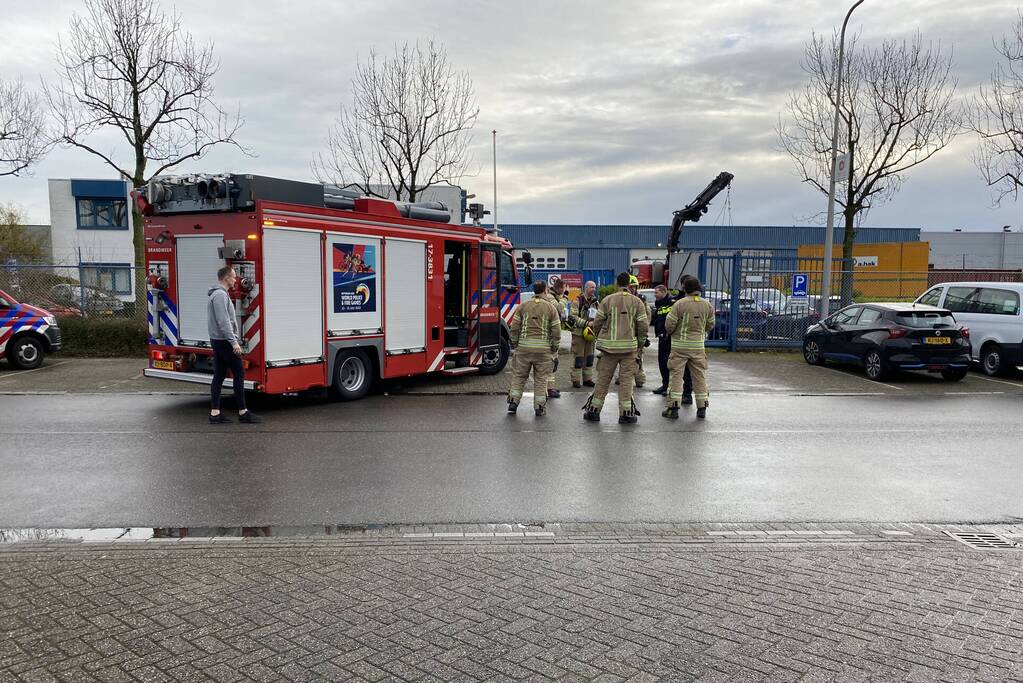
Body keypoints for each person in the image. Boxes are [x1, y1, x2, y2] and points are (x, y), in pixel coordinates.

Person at [582, 272, 649, 424]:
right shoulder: (637, 302)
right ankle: (626, 414)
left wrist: (598, 337)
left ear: (617, 284)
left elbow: (597, 322)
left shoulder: (607, 300)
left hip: (608, 350)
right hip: (629, 350)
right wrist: (640, 343)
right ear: (629, 285)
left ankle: (593, 411)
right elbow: (643, 326)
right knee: (626, 382)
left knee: (603, 381)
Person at [208, 266, 261, 424]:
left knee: (219, 375)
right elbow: (223, 322)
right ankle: (243, 412)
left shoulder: (218, 295)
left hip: (218, 340)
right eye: (233, 277)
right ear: (225, 278)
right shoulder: (220, 296)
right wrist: (234, 342)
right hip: (224, 342)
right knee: (239, 374)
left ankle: (215, 413)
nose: (235, 280)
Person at [662, 276, 715, 420]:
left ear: (685, 289)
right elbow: (710, 325)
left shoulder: (680, 304)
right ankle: (702, 408)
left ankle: (673, 408)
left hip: (680, 347)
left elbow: (669, 325)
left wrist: (674, 333)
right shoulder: (707, 305)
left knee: (676, 377)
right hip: (698, 346)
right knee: (699, 377)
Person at [507, 280, 562, 417]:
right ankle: (539, 408)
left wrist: (515, 344)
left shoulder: (523, 306)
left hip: (524, 349)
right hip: (543, 351)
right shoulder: (551, 308)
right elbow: (556, 331)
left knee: (519, 377)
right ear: (545, 291)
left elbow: (514, 328)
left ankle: (513, 402)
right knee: (541, 379)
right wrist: (554, 348)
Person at [651, 281, 693, 402]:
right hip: (661, 337)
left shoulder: (672, 302)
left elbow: (680, 300)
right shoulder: (659, 303)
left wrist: (681, 292)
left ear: (664, 292)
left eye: (657, 292)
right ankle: (664, 385)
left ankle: (679, 390)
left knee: (672, 364)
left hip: (670, 337)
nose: (655, 294)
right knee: (662, 363)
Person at [541, 277, 571, 399]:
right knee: (551, 362)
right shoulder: (550, 297)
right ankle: (548, 389)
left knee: (553, 362)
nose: (564, 292)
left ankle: (550, 387)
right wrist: (566, 297)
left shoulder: (554, 296)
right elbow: (558, 308)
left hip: (552, 333)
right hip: (549, 335)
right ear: (559, 288)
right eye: (563, 289)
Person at [570, 281, 598, 388]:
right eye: (592, 287)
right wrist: (586, 323)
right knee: (579, 357)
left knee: (590, 357)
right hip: (579, 334)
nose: (594, 289)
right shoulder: (577, 301)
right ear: (586, 288)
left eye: (595, 287)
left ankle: (587, 379)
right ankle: (576, 380)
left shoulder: (596, 302)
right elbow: (573, 317)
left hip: (591, 334)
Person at [627, 274, 647, 388]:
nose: (632, 289)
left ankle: (639, 379)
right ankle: (621, 378)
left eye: (634, 287)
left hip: (637, 331)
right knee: (624, 357)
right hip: (626, 333)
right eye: (630, 286)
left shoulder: (641, 300)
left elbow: (646, 317)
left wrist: (644, 333)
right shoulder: (623, 299)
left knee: (638, 357)